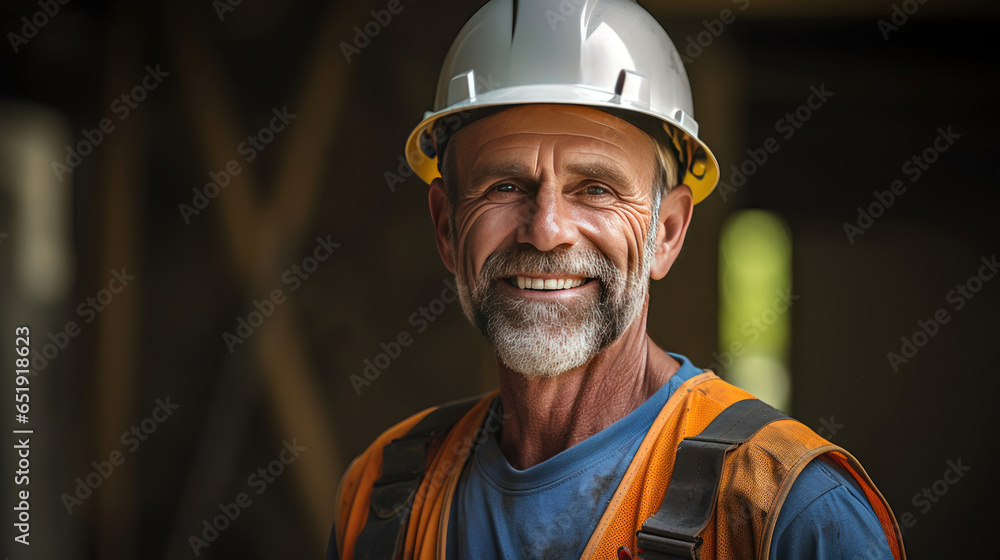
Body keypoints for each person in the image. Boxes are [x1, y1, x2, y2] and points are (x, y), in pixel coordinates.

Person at [329, 0, 906, 558]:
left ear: (668, 233)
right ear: (447, 227)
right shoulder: (385, 495)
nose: (547, 230)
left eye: (596, 189)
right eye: (505, 186)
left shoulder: (786, 508)